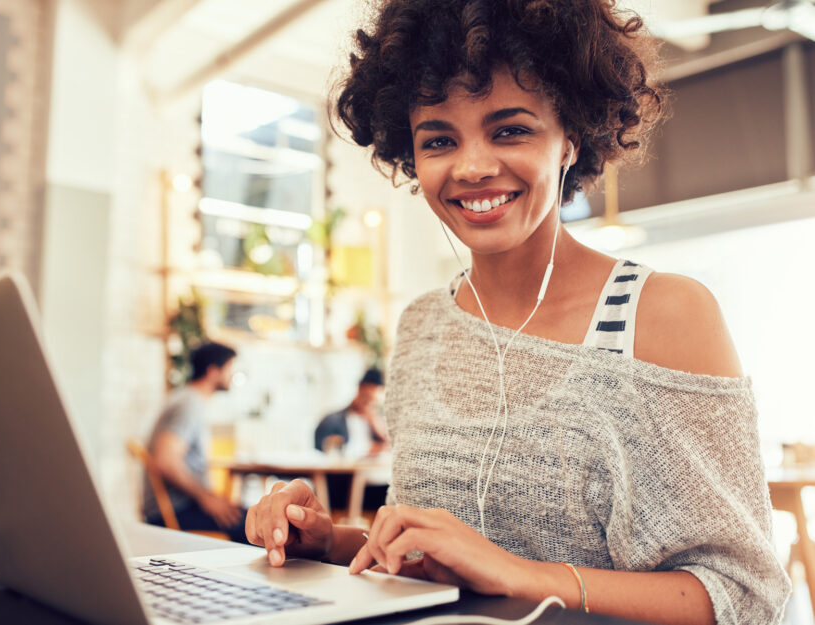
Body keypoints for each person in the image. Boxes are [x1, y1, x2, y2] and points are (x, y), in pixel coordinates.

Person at [245, 2, 790, 623]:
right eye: (439, 140)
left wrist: (520, 575)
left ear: (571, 139)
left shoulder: (663, 313)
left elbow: (745, 598)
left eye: (510, 130)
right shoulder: (423, 327)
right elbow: (428, 561)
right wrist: (328, 542)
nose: (472, 166)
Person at [143, 341, 248, 543]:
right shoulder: (189, 404)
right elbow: (165, 461)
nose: (232, 375)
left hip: (182, 506)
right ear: (213, 371)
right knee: (256, 524)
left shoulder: (187, 399)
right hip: (174, 511)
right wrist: (206, 498)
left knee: (254, 517)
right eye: (229, 368)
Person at [314, 367, 388, 458]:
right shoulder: (331, 421)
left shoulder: (378, 424)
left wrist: (377, 425)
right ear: (359, 389)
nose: (369, 405)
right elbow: (320, 452)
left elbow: (390, 448)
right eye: (366, 398)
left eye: (373, 402)